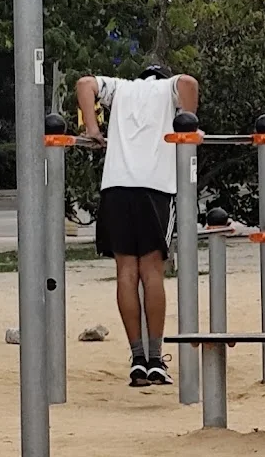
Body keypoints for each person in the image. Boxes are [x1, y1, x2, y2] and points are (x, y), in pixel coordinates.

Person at [75, 63, 200, 385]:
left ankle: (137, 357)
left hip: (116, 187)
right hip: (154, 187)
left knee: (126, 272)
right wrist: (189, 123)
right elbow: (188, 82)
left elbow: (85, 82)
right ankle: (156, 359)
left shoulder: (120, 88)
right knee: (152, 270)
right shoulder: (167, 87)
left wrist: (92, 128)